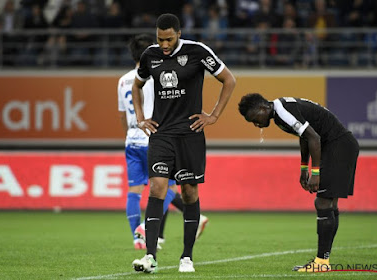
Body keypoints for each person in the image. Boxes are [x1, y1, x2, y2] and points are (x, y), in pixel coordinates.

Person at [131, 13, 236, 273]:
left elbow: (229, 80)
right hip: (162, 134)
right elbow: (137, 85)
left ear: (178, 33)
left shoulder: (197, 51)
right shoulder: (149, 55)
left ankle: (186, 257)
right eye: (160, 39)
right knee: (157, 187)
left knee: (189, 192)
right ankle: (150, 257)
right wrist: (141, 118)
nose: (164, 45)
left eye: (168, 39)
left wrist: (213, 116)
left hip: (190, 134)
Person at [238, 93, 359, 273]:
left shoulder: (282, 111)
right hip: (339, 145)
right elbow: (305, 136)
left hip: (338, 145)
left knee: (323, 202)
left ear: (263, 108)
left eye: (255, 119)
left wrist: (315, 173)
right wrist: (304, 167)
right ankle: (323, 260)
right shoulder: (280, 111)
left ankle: (321, 262)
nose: (256, 124)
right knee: (329, 203)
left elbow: (314, 138)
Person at [118, 34, 209, 251]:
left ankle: (138, 236)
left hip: (132, 138)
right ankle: (147, 228)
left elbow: (122, 114)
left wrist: (132, 130)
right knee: (165, 186)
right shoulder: (154, 75)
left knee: (135, 190)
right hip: (156, 135)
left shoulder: (122, 80)